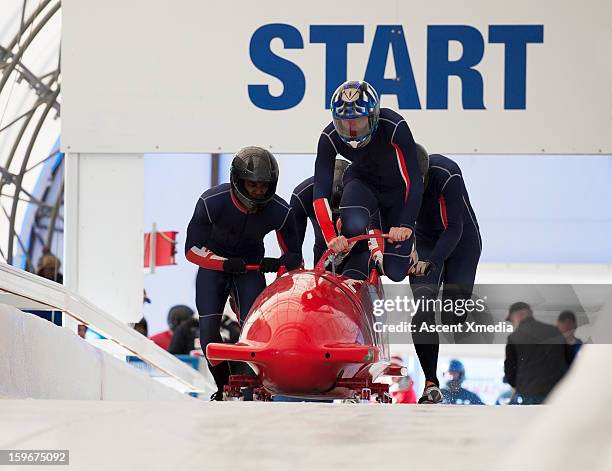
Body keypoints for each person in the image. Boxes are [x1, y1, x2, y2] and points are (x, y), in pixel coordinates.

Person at [185, 146, 301, 400]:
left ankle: (258, 383)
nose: (259, 191)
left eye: (264, 186)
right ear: (238, 181)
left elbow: (294, 259)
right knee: (208, 332)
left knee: (254, 329)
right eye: (252, 185)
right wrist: (223, 263)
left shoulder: (280, 211)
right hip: (215, 268)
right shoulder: (211, 202)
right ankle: (223, 386)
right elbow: (192, 250)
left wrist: (277, 264)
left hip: (249, 268)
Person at [313, 80, 422, 282]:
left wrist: (406, 224)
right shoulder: (329, 137)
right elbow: (320, 192)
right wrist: (331, 237)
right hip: (363, 184)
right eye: (345, 122)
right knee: (354, 222)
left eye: (359, 121)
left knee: (396, 273)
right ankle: (349, 239)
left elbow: (413, 180)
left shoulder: (394, 126)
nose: (352, 130)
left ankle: (385, 255)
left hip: (395, 193)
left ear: (373, 117)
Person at [409, 147, 482, 404]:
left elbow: (454, 229)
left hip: (461, 241)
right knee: (423, 308)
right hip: (424, 239)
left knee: (452, 319)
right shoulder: (389, 179)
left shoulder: (447, 174)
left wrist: (432, 261)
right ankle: (431, 383)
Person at [291, 158, 381, 279]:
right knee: (323, 292)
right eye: (331, 213)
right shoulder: (302, 195)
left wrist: (380, 257)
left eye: (339, 214)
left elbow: (376, 228)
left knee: (351, 283)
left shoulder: (366, 193)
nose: (335, 219)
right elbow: (293, 248)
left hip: (359, 252)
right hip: (324, 251)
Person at [504, 302, 572, 404]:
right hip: (557, 392)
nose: (513, 324)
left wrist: (518, 385)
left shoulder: (514, 337)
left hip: (530, 394)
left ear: (519, 315)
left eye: (512, 320)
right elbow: (569, 360)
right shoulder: (554, 331)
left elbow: (510, 370)